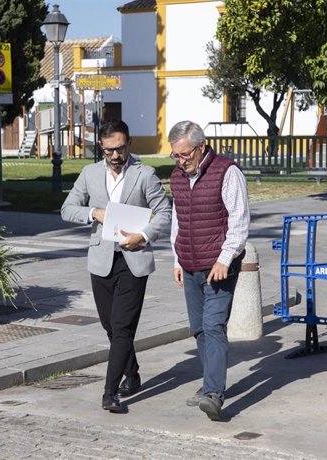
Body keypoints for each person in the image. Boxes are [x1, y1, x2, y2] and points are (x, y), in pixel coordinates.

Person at [61, 119, 172, 413]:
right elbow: (67, 209)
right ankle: (132, 374)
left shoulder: (145, 174)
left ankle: (110, 393)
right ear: (101, 146)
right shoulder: (90, 174)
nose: (115, 155)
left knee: (123, 327)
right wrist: (93, 212)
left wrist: (144, 235)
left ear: (129, 144)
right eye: (109, 150)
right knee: (111, 327)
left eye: (120, 149)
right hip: (101, 261)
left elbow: (164, 213)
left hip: (133, 261)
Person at [168, 120, 250, 421]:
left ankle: (214, 394)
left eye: (185, 154)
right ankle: (208, 385)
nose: (180, 161)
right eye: (175, 156)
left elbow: (239, 221)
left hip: (218, 266)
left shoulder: (228, 172)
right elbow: (178, 220)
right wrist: (176, 260)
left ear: (202, 146)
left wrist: (225, 259)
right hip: (189, 264)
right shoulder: (176, 177)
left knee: (214, 325)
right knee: (199, 328)